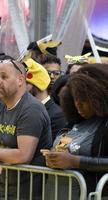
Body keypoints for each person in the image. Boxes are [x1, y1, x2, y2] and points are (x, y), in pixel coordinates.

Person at [0, 55, 52, 199]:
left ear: (20, 80)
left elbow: (23, 155)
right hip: (2, 193)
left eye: (4, 77)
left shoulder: (32, 109)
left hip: (28, 194)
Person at [43, 64, 108, 198]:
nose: (78, 105)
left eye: (83, 100)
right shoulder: (73, 122)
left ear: (98, 96)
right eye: (74, 98)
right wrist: (53, 158)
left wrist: (74, 161)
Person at [25, 58, 66, 141]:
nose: (52, 77)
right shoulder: (24, 109)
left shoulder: (57, 115)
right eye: (48, 73)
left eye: (26, 83)